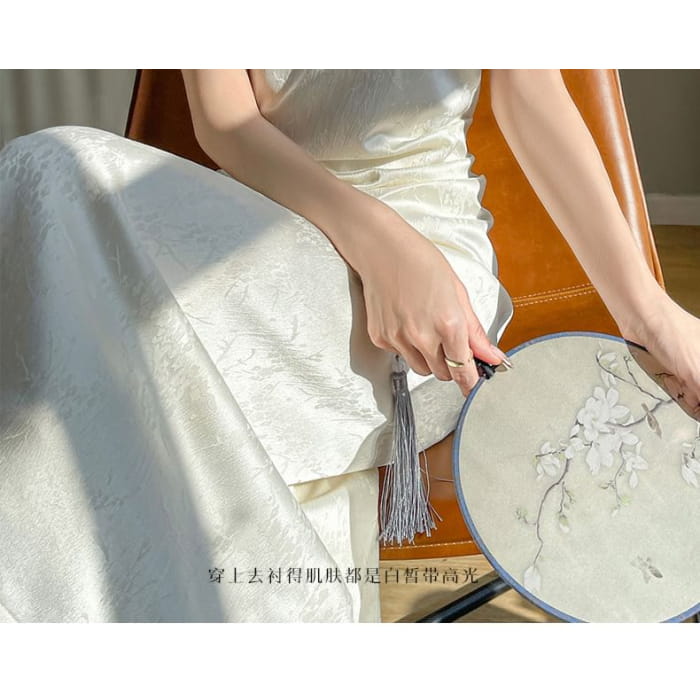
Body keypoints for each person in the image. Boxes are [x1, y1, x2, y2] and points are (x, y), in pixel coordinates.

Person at [0, 69, 697, 623]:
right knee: (42, 172)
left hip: (427, 272)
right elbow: (227, 124)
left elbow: (531, 94)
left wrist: (649, 313)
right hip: (257, 231)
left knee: (78, 346)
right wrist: (380, 243)